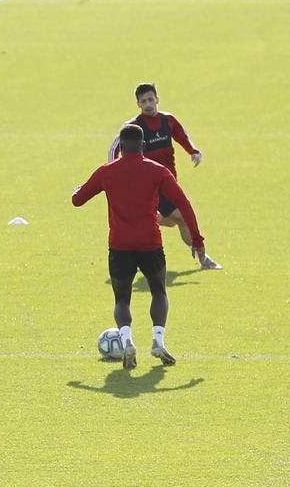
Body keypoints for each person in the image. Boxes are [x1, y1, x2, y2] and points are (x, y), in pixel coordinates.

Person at [72, 122, 206, 370]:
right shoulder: (158, 171)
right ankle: (158, 341)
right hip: (150, 244)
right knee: (159, 291)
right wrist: (197, 240)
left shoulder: (107, 171)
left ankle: (127, 341)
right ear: (143, 146)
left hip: (120, 245)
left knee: (122, 300)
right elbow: (184, 204)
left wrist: (76, 191)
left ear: (120, 147)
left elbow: (78, 200)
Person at [109, 82, 221, 270]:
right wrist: (113, 170)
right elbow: (115, 147)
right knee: (183, 218)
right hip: (149, 184)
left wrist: (193, 151)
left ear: (157, 99)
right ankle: (204, 258)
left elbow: (182, 136)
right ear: (138, 104)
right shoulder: (134, 127)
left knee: (171, 221)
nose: (148, 104)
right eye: (143, 101)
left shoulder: (168, 120)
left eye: (151, 99)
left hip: (169, 181)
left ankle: (153, 218)